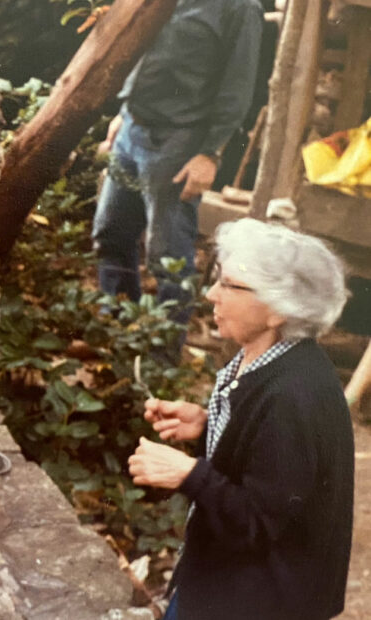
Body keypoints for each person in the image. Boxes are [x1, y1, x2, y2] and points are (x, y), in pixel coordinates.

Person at [128, 218, 354, 619]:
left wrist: (189, 473)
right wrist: (209, 427)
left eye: (230, 285)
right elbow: (266, 465)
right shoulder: (268, 358)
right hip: (229, 582)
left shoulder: (294, 396)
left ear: (278, 310)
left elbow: (258, 523)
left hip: (261, 602)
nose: (212, 294)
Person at [92, 0, 264, 323]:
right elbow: (147, 51)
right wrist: (124, 111)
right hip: (131, 128)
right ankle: (116, 334)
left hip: (177, 144)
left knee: (168, 259)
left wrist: (210, 154)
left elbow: (237, 90)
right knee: (111, 234)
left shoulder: (240, 8)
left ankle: (161, 362)